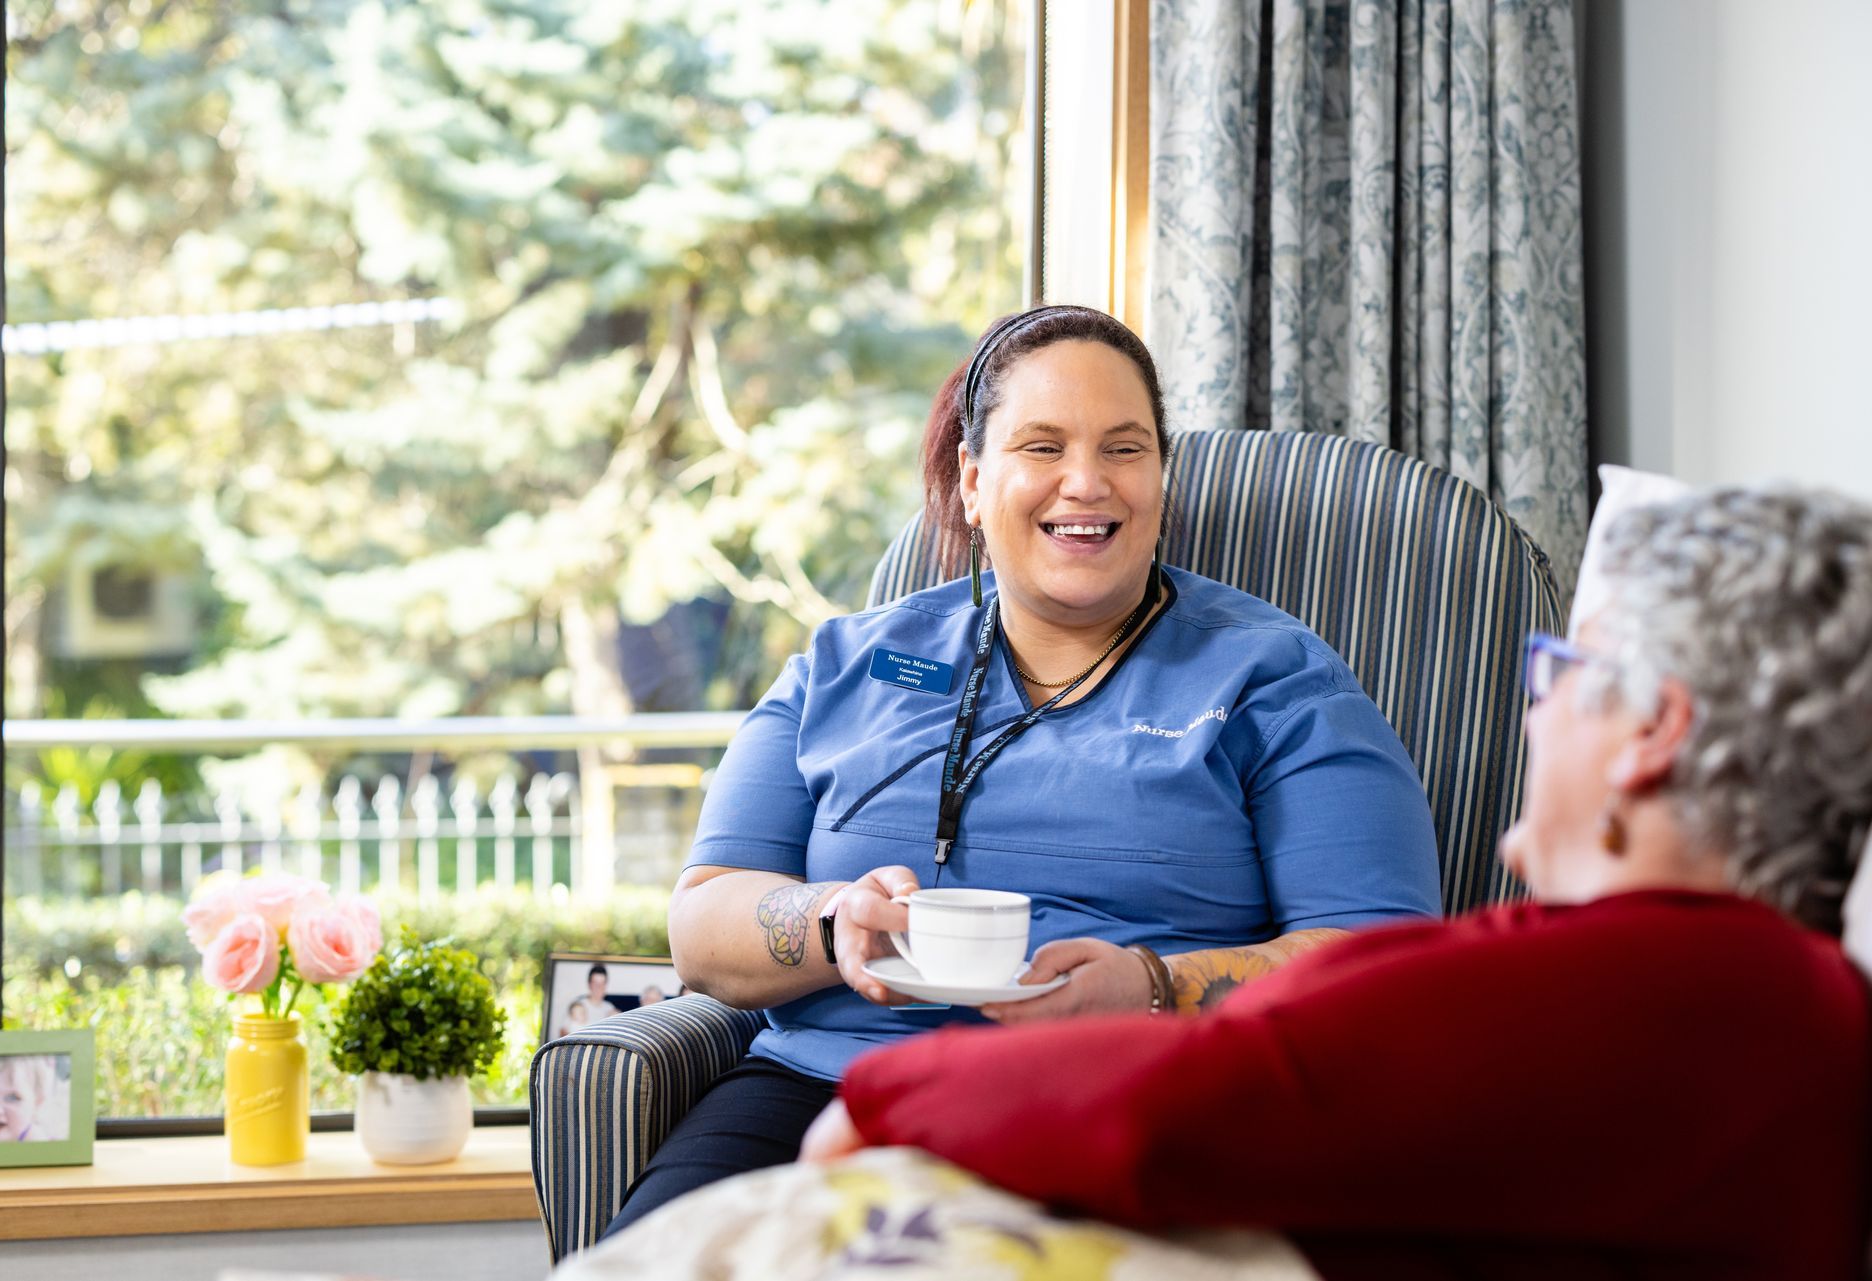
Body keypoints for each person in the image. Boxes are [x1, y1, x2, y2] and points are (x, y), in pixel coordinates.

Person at [794, 487, 1872, 1280]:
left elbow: (1191, 1106)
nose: (1535, 717)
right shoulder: (1785, 994)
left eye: (1563, 675)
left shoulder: (1654, 984)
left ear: (1650, 734)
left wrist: (887, 1097)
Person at [609, 304, 1442, 1233]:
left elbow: (1380, 970)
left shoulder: (1277, 678)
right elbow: (702, 920)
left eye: (1124, 449)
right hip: (829, 1085)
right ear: (972, 479)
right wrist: (830, 916)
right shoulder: (845, 664)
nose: (1085, 483)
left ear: (1160, 478)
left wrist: (1153, 988)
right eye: (1042, 447)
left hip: (1135, 1098)